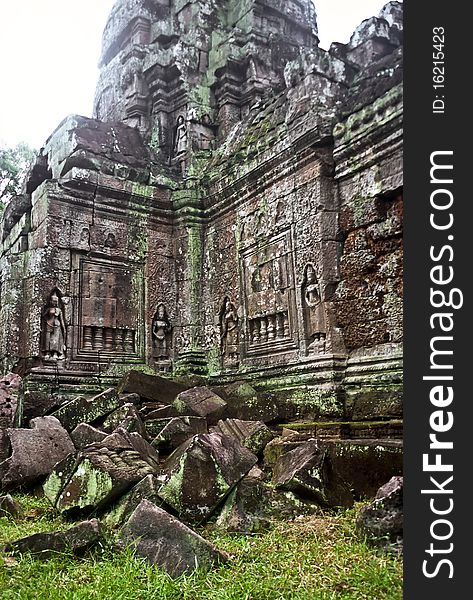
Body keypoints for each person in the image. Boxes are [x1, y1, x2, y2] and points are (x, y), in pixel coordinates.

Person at [43, 293, 66, 361]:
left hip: (57, 325)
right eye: (53, 301)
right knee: (47, 339)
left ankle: (55, 353)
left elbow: (61, 320)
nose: (54, 303)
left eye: (56, 301)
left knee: (56, 339)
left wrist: (63, 328)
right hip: (48, 324)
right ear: (50, 301)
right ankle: (47, 352)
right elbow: (44, 316)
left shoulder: (59, 310)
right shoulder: (49, 309)